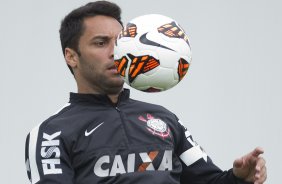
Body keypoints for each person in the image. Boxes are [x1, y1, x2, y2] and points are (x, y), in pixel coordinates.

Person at [25, 1, 267, 184]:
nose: (115, 52)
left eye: (119, 41)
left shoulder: (165, 119)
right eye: (101, 43)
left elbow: (210, 181)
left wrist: (239, 178)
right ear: (71, 56)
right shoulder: (51, 133)